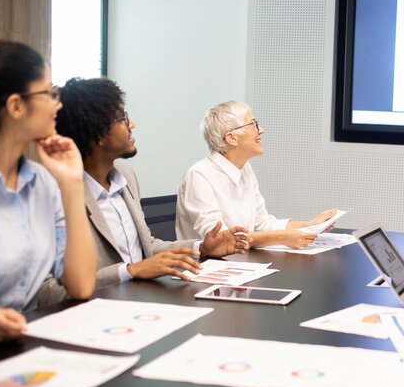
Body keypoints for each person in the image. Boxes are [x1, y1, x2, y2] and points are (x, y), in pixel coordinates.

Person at [37, 78, 250, 306]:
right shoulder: (54, 193)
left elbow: (147, 247)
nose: (132, 124)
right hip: (94, 315)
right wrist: (129, 271)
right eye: (122, 118)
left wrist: (201, 247)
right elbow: (46, 292)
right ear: (98, 132)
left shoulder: (126, 177)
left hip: (139, 305)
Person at [0, 40, 96, 342]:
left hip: (17, 351)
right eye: (49, 93)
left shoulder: (43, 182)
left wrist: (72, 183)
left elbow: (81, 285)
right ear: (15, 106)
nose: (58, 103)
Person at [176, 101, 336, 248]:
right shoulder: (199, 176)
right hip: (205, 270)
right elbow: (221, 240)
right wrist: (282, 237)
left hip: (239, 263)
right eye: (253, 124)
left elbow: (262, 223)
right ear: (231, 138)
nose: (261, 130)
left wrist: (310, 225)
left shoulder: (245, 169)